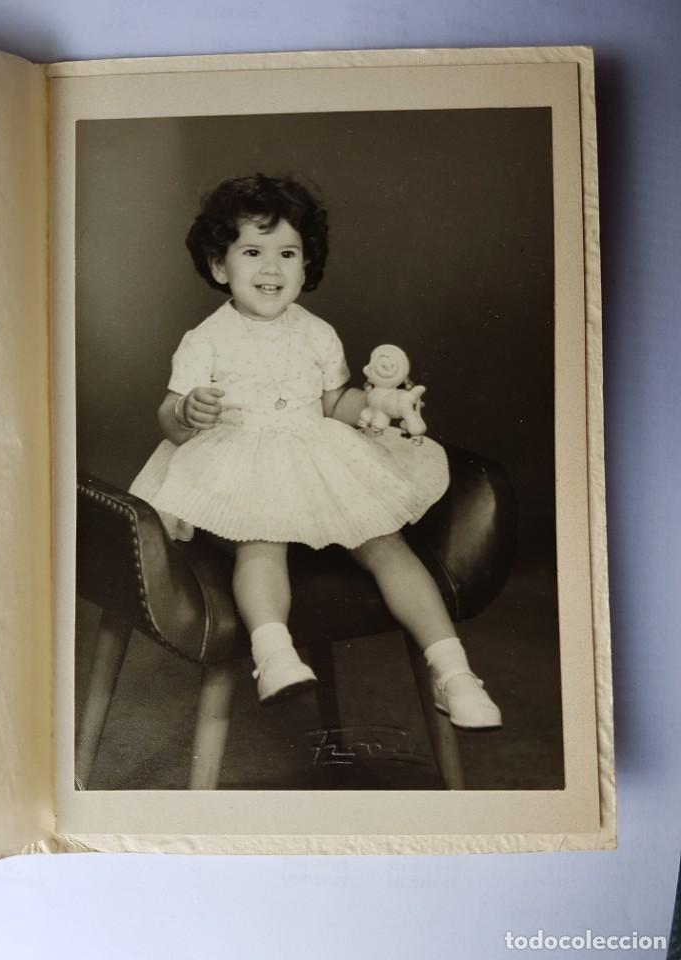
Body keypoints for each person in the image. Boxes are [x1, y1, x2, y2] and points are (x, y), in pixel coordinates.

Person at [130, 173, 501, 729]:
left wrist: (379, 404)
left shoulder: (319, 333)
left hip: (315, 456)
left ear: (307, 264)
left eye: (288, 253)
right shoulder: (205, 339)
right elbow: (169, 412)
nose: (272, 269)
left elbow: (333, 403)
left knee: (387, 544)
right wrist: (187, 412)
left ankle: (453, 672)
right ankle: (274, 653)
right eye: (252, 251)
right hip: (242, 463)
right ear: (218, 266)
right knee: (263, 543)